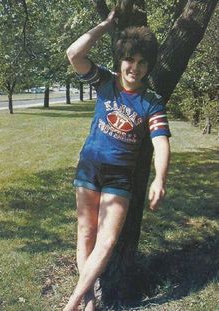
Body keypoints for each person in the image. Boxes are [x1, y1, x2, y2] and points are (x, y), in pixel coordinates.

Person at [65, 10, 170, 311]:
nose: (134, 68)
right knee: (85, 233)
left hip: (120, 177)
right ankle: (88, 300)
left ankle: (72, 303)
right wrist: (104, 26)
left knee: (107, 241)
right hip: (90, 167)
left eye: (141, 63)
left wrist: (160, 178)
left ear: (148, 67)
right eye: (130, 60)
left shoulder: (151, 102)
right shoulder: (104, 82)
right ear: (121, 59)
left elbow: (161, 142)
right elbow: (74, 53)